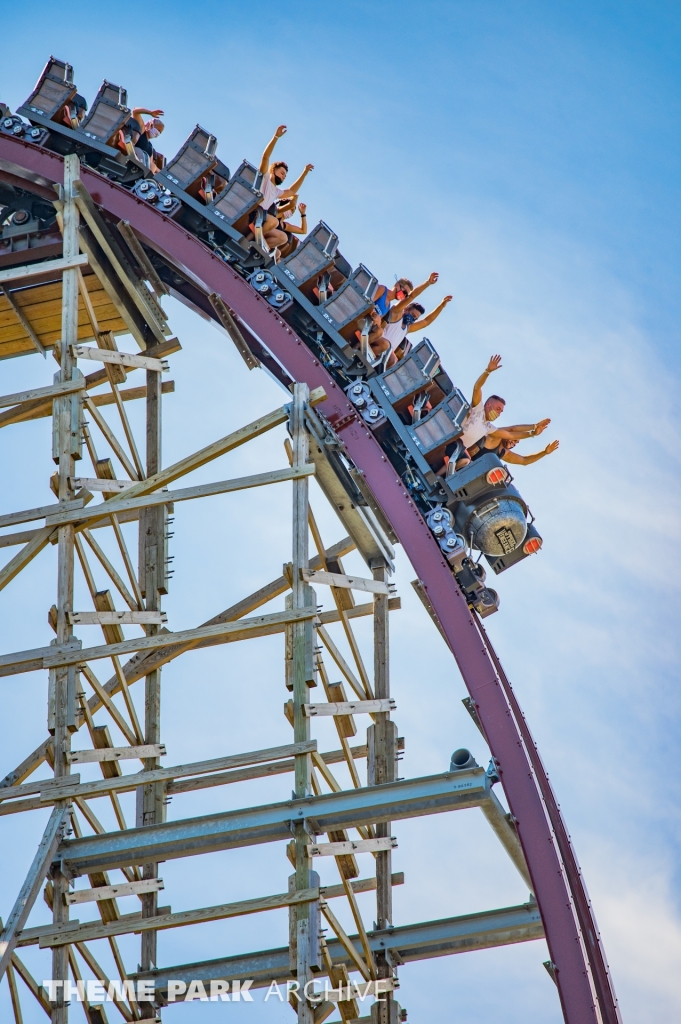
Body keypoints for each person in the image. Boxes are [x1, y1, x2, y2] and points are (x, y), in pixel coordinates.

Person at [459, 355, 551, 453]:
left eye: (501, 412)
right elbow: (477, 387)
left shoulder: (488, 427)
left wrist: (533, 430)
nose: (499, 413)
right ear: (489, 404)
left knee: (464, 461)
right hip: (450, 440)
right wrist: (487, 371)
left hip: (457, 451)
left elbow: (511, 434)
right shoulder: (478, 409)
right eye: (498, 409)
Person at [248, 124, 314, 251]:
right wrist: (276, 137)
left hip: (261, 218)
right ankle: (249, 240)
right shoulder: (265, 177)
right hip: (252, 209)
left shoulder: (277, 191)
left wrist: (304, 173)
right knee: (274, 222)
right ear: (273, 170)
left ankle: (259, 249)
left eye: (285, 176)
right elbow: (265, 157)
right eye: (282, 173)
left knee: (282, 238)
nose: (284, 177)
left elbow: (292, 191)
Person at [381, 273, 452, 367]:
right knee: (392, 357)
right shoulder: (396, 313)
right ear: (406, 309)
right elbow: (411, 296)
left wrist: (442, 306)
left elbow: (427, 321)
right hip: (378, 344)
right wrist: (427, 283)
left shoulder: (407, 328)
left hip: (384, 357)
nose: (413, 319)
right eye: (413, 315)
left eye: (415, 318)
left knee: (395, 361)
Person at [470, 436, 560, 465]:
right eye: (514, 439)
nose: (514, 443)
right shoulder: (495, 438)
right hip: (466, 458)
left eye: (516, 443)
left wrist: (544, 453)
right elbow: (511, 430)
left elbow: (525, 461)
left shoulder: (504, 452)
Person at [131, 107, 165, 171]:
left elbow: (151, 163)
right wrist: (150, 112)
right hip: (134, 160)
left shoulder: (151, 147)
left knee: (154, 166)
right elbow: (135, 111)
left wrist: (161, 174)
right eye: (158, 130)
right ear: (151, 125)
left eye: (160, 132)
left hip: (145, 167)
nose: (158, 133)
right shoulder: (142, 131)